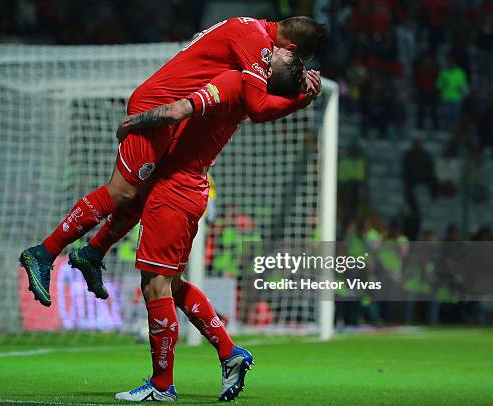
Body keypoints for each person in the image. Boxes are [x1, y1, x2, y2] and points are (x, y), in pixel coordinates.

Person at [20, 16, 328, 307]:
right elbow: (258, 107)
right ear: (291, 48)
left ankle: (92, 253)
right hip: (158, 106)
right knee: (122, 192)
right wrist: (300, 100)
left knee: (141, 197)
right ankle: (43, 253)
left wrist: (296, 91)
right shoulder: (256, 43)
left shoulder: (249, 29)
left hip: (169, 113)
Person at [109, 50, 306, 402]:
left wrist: (132, 122)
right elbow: (269, 105)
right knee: (172, 284)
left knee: (156, 286)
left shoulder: (234, 82)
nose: (270, 48)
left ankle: (162, 385)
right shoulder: (250, 93)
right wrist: (304, 94)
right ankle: (230, 354)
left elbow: (174, 110)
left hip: (174, 190)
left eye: (276, 54)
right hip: (191, 188)